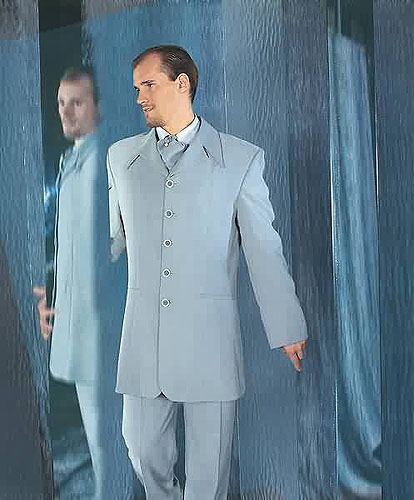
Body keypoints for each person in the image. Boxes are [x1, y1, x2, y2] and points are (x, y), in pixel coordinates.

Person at [107, 45, 308, 500]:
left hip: (209, 340)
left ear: (182, 84)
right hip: (143, 339)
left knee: (208, 472)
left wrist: (286, 324)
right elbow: (113, 239)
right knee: (141, 450)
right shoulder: (120, 158)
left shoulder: (240, 159)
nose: (139, 97)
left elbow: (263, 248)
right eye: (136, 88)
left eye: (148, 85)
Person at [34, 67, 133, 499]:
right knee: (95, 426)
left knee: (113, 427)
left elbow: (127, 231)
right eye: (61, 103)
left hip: (103, 317)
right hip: (75, 316)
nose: (66, 111)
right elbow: (65, 245)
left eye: (77, 102)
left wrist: (108, 263)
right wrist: (50, 298)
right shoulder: (70, 164)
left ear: (97, 107)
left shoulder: (107, 161)